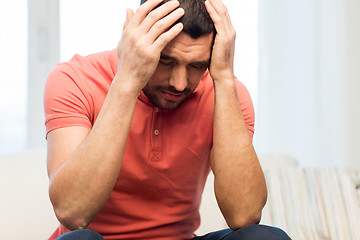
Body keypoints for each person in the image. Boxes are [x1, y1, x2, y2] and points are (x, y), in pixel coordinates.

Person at [44, 0, 291, 239]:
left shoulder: (226, 94)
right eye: (165, 61)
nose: (179, 83)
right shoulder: (75, 79)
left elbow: (244, 215)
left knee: (267, 237)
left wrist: (225, 77)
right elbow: (72, 213)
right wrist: (127, 80)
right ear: (136, 38)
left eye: (196, 66)